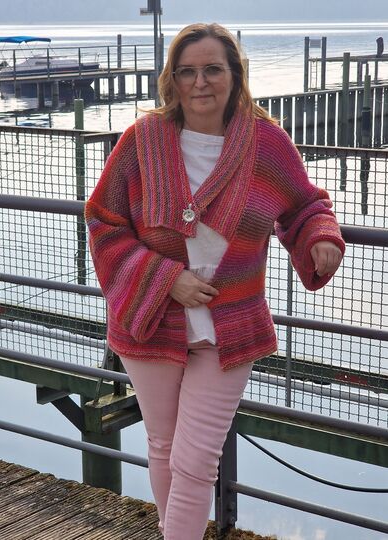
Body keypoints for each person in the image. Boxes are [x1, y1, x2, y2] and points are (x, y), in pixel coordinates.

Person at [85, 22, 345, 540]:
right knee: (163, 446)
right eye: (187, 71)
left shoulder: (266, 144)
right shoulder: (142, 140)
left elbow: (305, 203)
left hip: (231, 324)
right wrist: (166, 279)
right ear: (172, 79)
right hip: (150, 319)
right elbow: (103, 222)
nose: (200, 82)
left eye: (212, 69)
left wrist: (321, 235)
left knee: (196, 458)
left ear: (235, 75)